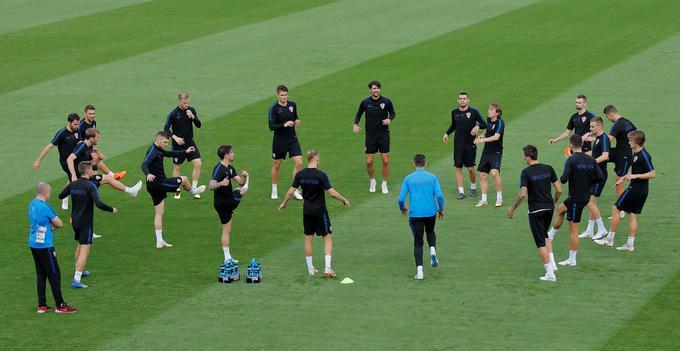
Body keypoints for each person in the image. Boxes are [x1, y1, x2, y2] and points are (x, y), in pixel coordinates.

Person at [278, 149, 350, 278]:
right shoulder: (321, 175)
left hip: (307, 210)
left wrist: (284, 203)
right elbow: (332, 193)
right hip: (320, 210)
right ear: (316, 158)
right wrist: (344, 199)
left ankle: (310, 269)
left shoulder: (300, 175)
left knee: (308, 238)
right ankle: (327, 268)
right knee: (327, 237)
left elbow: (290, 192)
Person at [58, 162, 118, 289]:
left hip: (74, 220)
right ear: (87, 171)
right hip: (85, 222)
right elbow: (99, 204)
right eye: (91, 170)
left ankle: (79, 269)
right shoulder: (90, 186)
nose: (93, 172)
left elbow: (61, 195)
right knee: (85, 249)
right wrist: (111, 209)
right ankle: (77, 279)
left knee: (80, 244)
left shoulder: (73, 184)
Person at [141, 131, 206, 248]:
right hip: (159, 184)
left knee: (159, 212)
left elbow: (169, 153)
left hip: (152, 186)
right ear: (159, 140)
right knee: (184, 179)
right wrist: (147, 174)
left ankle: (159, 241)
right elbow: (144, 164)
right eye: (165, 142)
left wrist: (185, 151)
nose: (166, 144)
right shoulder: (153, 151)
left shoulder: (158, 149)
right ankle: (193, 192)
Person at [546, 135, 603, 266]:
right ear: (581, 145)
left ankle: (572, 259)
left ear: (571, 145)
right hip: (584, 197)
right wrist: (587, 181)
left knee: (573, 229)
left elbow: (564, 179)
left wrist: (569, 168)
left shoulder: (571, 160)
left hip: (576, 198)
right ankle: (551, 234)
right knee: (560, 210)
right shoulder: (591, 159)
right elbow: (599, 177)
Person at [507, 145, 562, 281]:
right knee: (545, 236)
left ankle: (550, 273)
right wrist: (554, 201)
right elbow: (559, 189)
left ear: (528, 157)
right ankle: (553, 263)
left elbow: (522, 194)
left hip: (536, 210)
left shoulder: (526, 172)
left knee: (540, 243)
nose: (523, 158)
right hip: (549, 208)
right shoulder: (548, 168)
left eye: (523, 155)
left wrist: (512, 208)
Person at [595, 130, 655, 251]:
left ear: (637, 142)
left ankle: (609, 239)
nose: (628, 142)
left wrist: (634, 176)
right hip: (640, 190)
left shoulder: (644, 155)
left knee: (616, 208)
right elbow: (635, 170)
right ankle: (629, 245)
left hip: (636, 189)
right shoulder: (636, 154)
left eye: (630, 140)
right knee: (631, 214)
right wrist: (622, 178)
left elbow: (652, 173)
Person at [29, 182, 77, 313]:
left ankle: (42, 305)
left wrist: (50, 224)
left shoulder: (32, 204)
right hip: (45, 245)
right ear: (45, 192)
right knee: (54, 274)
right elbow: (59, 223)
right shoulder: (45, 207)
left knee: (41, 274)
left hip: (33, 244)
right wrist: (53, 224)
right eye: (49, 193)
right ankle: (60, 305)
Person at [397, 154, 445, 280]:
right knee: (430, 231)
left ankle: (420, 272)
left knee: (418, 243)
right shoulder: (433, 178)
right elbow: (440, 196)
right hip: (431, 212)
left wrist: (402, 208)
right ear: (425, 163)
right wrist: (441, 209)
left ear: (414, 164)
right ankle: (433, 250)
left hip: (415, 214)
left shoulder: (408, 179)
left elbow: (401, 198)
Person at [67, 128, 142, 197]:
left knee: (106, 178)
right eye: (97, 137)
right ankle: (131, 191)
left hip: (85, 177)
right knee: (108, 178)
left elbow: (91, 164)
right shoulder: (82, 146)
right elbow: (69, 159)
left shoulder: (87, 147)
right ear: (91, 138)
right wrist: (73, 176)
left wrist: (99, 158)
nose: (98, 139)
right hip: (81, 179)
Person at [353, 80, 396, 193]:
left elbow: (393, 113)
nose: (376, 90)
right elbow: (359, 114)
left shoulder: (386, 101)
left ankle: (384, 183)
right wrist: (355, 124)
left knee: (385, 160)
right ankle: (372, 181)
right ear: (370, 90)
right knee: (369, 161)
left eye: (377, 88)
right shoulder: (365, 102)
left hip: (383, 135)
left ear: (380, 89)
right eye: (373, 88)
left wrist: (389, 119)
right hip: (370, 136)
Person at [209, 145, 249, 263]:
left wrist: (245, 177)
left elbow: (241, 182)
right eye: (231, 152)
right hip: (224, 202)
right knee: (240, 191)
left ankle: (227, 257)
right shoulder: (219, 168)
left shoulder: (230, 168)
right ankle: (239, 194)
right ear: (226, 155)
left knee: (226, 229)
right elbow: (210, 186)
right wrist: (221, 183)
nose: (233, 154)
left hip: (224, 202)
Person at [443, 91, 486, 199]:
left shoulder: (474, 112)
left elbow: (484, 124)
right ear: (458, 100)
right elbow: (453, 125)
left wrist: (477, 127)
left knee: (471, 168)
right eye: (460, 98)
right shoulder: (454, 112)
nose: (462, 100)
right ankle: (461, 191)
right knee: (458, 167)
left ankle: (473, 187)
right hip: (458, 145)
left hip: (470, 145)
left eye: (464, 98)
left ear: (468, 100)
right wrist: (446, 133)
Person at [32, 113, 81, 210]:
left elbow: (79, 142)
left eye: (78, 124)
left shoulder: (77, 130)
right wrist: (38, 161)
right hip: (65, 162)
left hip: (75, 160)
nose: (77, 126)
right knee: (75, 181)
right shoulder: (62, 133)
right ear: (69, 122)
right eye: (75, 124)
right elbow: (49, 146)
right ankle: (70, 201)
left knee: (76, 179)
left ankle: (65, 195)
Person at [164, 92, 204, 199]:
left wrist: (193, 117)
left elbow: (199, 125)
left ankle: (194, 190)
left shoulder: (191, 110)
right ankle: (177, 191)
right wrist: (175, 138)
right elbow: (166, 129)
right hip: (178, 145)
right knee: (177, 166)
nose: (187, 104)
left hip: (190, 142)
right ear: (179, 101)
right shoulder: (173, 114)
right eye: (185, 103)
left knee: (198, 163)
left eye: (188, 102)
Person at [269, 85, 303, 200]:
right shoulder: (273, 108)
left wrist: (297, 121)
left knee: (299, 163)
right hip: (279, 141)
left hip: (292, 139)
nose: (284, 97)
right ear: (277, 95)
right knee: (277, 164)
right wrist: (283, 125)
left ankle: (294, 189)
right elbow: (271, 126)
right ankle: (274, 189)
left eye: (286, 95)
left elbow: (295, 118)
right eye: (282, 95)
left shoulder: (292, 105)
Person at [76, 104, 126, 180]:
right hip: (81, 151)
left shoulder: (93, 123)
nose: (92, 115)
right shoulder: (81, 126)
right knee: (95, 159)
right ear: (85, 114)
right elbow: (79, 142)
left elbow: (93, 137)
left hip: (88, 149)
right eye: (90, 114)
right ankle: (112, 175)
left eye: (93, 113)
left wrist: (94, 148)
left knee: (76, 178)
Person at [580, 116, 610, 239]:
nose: (590, 128)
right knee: (592, 202)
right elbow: (594, 153)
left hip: (600, 175)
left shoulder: (604, 138)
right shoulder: (598, 138)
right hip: (595, 174)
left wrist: (591, 163)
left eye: (592, 126)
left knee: (590, 202)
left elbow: (605, 156)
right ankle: (590, 230)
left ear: (599, 126)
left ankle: (602, 229)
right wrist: (580, 156)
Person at [473, 103, 505, 207]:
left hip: (496, 152)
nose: (489, 111)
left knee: (495, 173)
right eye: (489, 109)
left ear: (497, 112)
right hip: (486, 152)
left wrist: (481, 141)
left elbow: (496, 137)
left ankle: (499, 198)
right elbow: (488, 130)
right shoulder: (489, 120)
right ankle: (484, 200)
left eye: (491, 110)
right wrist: (482, 135)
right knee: (482, 175)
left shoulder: (500, 122)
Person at [604, 105, 637, 200]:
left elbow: (609, 139)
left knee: (619, 183)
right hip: (619, 152)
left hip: (624, 157)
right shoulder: (628, 122)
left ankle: (620, 209)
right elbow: (638, 133)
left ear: (610, 114)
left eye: (607, 117)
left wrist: (595, 139)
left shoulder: (617, 125)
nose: (608, 119)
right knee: (600, 155)